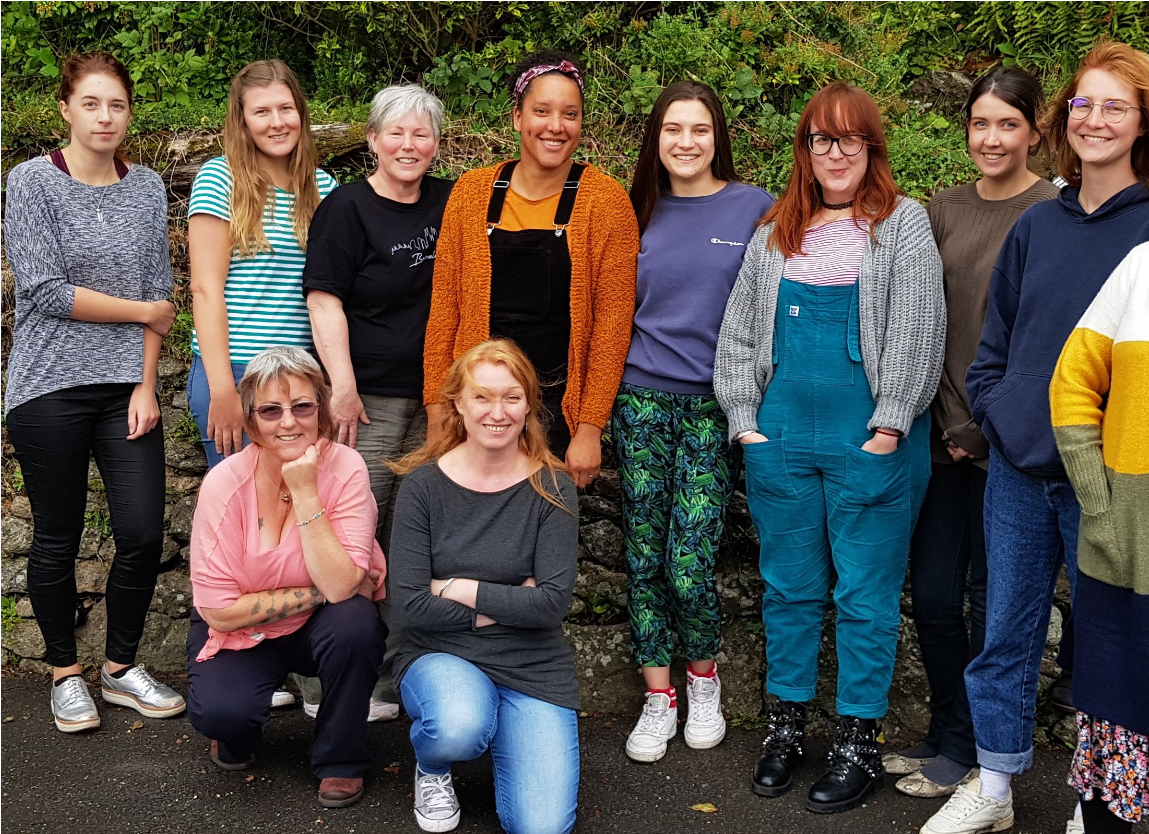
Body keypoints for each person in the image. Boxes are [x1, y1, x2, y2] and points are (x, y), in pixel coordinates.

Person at [923, 41, 1149, 834]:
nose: (1093, 119)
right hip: (1019, 469)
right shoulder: (1034, 226)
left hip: (1115, 483)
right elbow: (995, 347)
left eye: (1113, 105)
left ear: (1141, 120)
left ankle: (1097, 799)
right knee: (1004, 633)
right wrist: (998, 410)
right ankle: (993, 786)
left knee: (1107, 648)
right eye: (1082, 104)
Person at [714, 81, 945, 813]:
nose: (835, 153)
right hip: (780, 436)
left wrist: (889, 425)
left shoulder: (901, 225)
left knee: (864, 598)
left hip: (867, 435)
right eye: (820, 139)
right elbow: (740, 336)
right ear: (803, 151)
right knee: (788, 589)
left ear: (871, 148)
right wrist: (745, 422)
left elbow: (917, 326)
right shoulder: (774, 231)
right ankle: (783, 727)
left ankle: (855, 741)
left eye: (850, 139)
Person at [886, 67, 1059, 799]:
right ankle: (947, 734)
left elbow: (1038, 338)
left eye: (1006, 125)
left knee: (996, 606)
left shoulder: (1051, 211)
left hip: (1005, 447)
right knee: (929, 593)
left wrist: (981, 429)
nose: (990, 139)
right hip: (938, 435)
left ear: (1034, 132)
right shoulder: (938, 211)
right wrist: (947, 422)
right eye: (979, 123)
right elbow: (923, 321)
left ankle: (980, 754)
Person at [3, 51, 186, 733]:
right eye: (91, 103)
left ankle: (119, 670)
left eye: (116, 105)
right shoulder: (30, 183)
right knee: (58, 535)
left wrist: (146, 385)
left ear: (128, 111)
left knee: (141, 531)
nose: (105, 117)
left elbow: (158, 293)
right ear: (65, 109)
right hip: (47, 385)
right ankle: (63, 674)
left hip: (124, 390)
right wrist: (142, 315)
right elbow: (45, 292)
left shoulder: (144, 187)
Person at [616, 81, 774, 763]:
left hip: (715, 405)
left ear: (718, 137)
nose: (685, 141)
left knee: (688, 563)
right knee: (644, 558)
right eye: (672, 129)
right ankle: (658, 697)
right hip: (639, 403)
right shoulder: (631, 210)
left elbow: (774, 308)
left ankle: (702, 679)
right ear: (655, 137)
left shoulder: (754, 209)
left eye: (699, 129)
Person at [301, 83, 454, 723]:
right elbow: (324, 298)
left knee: (415, 540)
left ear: (437, 144)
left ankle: (393, 677)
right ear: (371, 140)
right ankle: (322, 679)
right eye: (395, 133)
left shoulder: (453, 200)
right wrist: (341, 383)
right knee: (352, 533)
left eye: (422, 134)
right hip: (369, 399)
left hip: (441, 399)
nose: (408, 145)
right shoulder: (347, 210)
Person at [422, 49, 639, 488]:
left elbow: (613, 327)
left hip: (558, 407)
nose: (555, 126)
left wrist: (589, 428)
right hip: (477, 404)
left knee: (545, 529)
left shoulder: (606, 202)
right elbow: (444, 308)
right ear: (518, 117)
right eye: (542, 111)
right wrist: (437, 407)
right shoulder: (471, 192)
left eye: (570, 114)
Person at [389, 340, 580, 834]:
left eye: (512, 398)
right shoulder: (422, 487)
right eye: (482, 397)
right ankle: (432, 766)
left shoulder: (553, 486)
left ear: (530, 405)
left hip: (532, 664)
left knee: (542, 827)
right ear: (457, 403)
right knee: (458, 725)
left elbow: (550, 606)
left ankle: (503, 725)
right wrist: (509, 602)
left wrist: (454, 586)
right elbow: (408, 607)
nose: (497, 412)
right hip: (440, 654)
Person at [185, 347, 387, 809]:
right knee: (222, 714)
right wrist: (325, 589)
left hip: (321, 628)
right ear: (252, 422)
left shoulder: (347, 468)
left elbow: (344, 591)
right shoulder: (223, 483)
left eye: (302, 406)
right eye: (271, 410)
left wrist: (305, 490)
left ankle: (341, 760)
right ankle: (236, 733)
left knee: (355, 622)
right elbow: (217, 608)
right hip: (241, 632)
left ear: (322, 411)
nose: (289, 422)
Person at [188, 59, 337, 469]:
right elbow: (205, 289)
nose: (277, 122)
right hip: (237, 370)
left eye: (286, 108)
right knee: (240, 507)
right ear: (243, 121)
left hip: (302, 375)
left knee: (298, 503)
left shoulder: (324, 187)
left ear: (301, 114)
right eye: (262, 111)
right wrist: (223, 391)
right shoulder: (221, 179)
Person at [1051, 241, 1148, 834]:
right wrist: (1099, 498)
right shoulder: (1142, 265)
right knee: (1116, 709)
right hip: (1129, 539)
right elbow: (1071, 384)